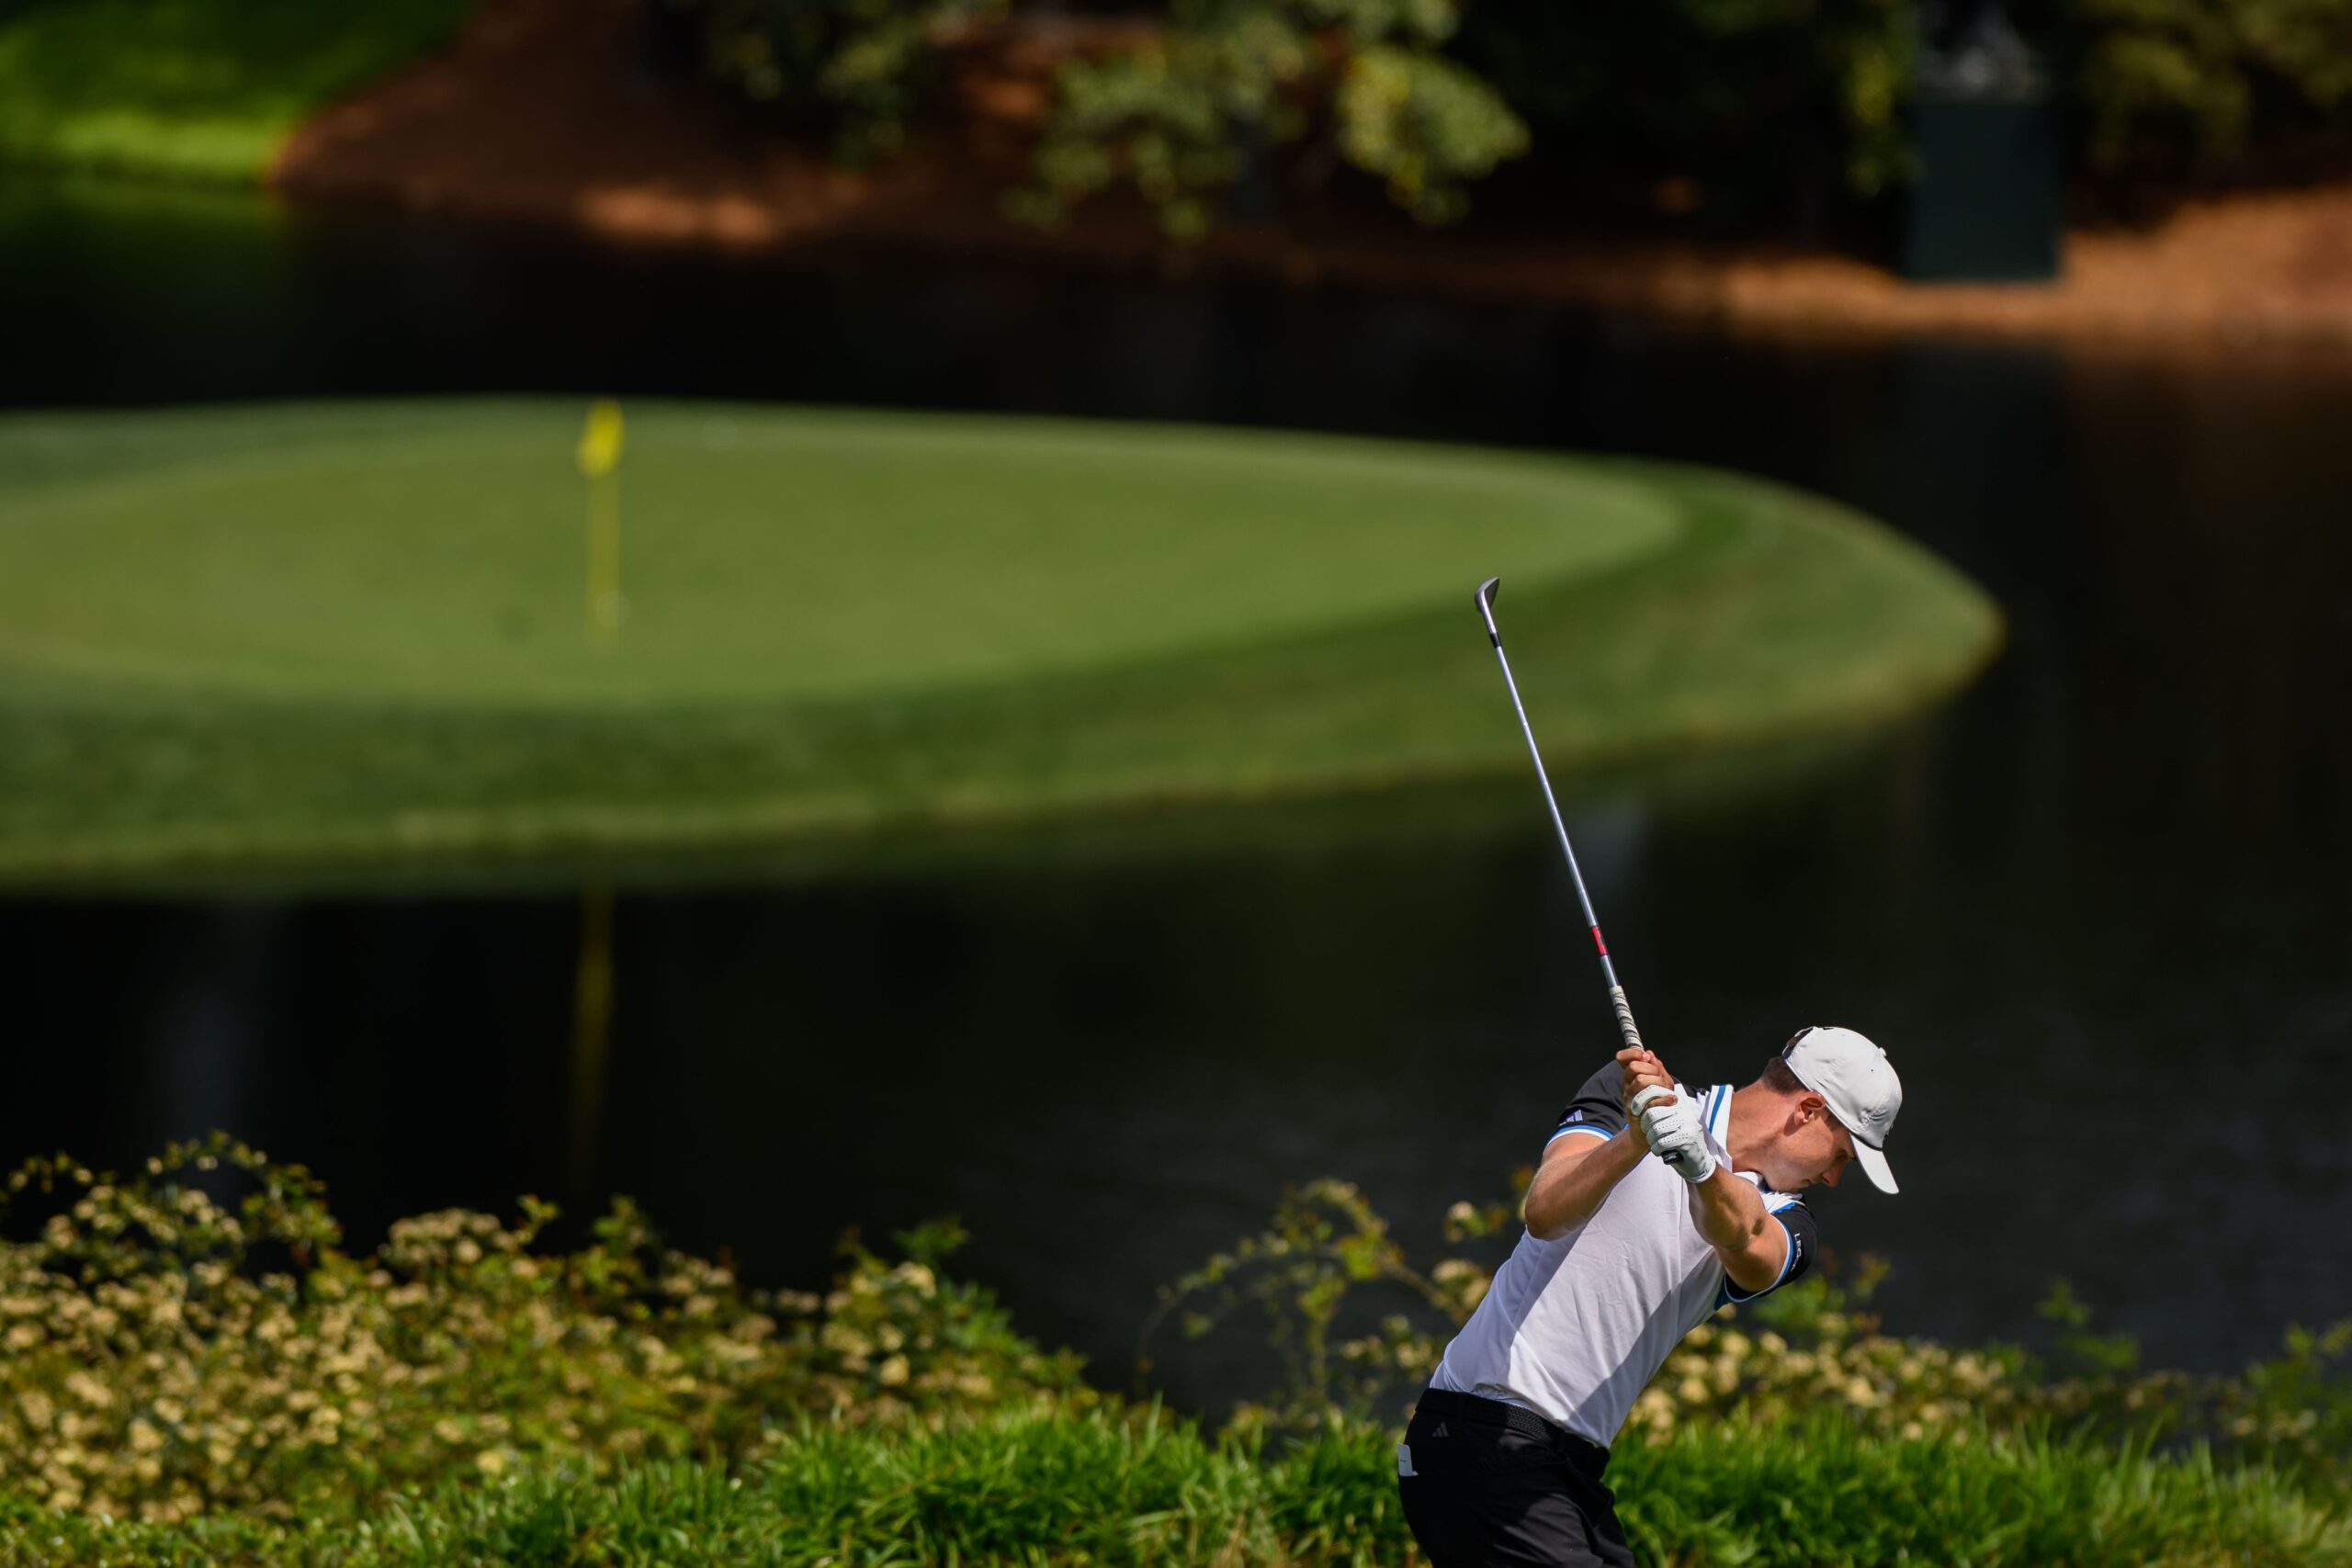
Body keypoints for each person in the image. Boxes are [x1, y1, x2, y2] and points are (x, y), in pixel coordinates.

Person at [1396, 1026, 1905, 1567]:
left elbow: (1746, 1240)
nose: (1832, 1177)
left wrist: (1701, 1167)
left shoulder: (1790, 1219)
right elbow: (1545, 1212)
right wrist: (1636, 1139)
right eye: (1843, 1155)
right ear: (1807, 1109)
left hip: (1566, 1468)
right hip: (1480, 1433)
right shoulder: (1628, 1094)